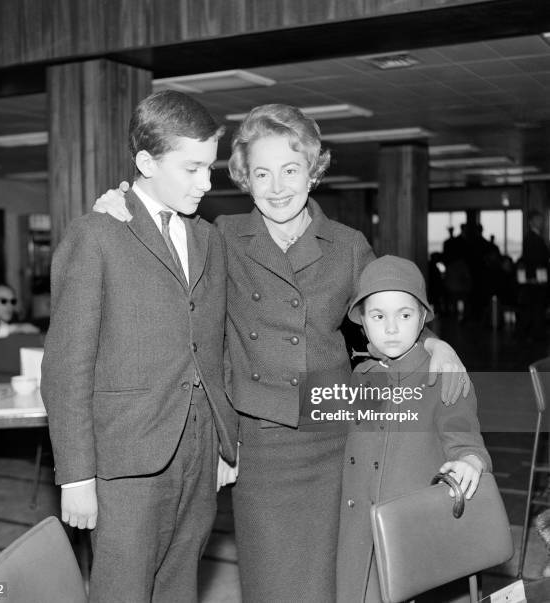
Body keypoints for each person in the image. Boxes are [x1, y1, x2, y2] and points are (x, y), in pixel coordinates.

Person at [94, 103, 469, 603]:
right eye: (261, 173)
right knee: (275, 582)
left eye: (290, 170)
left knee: (342, 574)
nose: (277, 187)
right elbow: (155, 230)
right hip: (260, 442)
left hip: (337, 435)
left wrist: (432, 341)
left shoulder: (346, 244)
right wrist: (117, 204)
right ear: (244, 179)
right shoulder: (219, 235)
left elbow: (392, 309)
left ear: (313, 172)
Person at [41, 90, 238, 603]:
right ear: (146, 163)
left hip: (196, 451)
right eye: (192, 168)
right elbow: (66, 367)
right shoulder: (97, 235)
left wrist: (223, 438)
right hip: (125, 460)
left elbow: (211, 346)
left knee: (180, 585)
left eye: (209, 168)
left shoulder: (209, 239)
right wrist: (77, 475)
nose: (206, 182)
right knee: (122, 590)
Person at [337, 255, 491, 602]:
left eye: (404, 315)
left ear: (423, 317)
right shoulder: (361, 375)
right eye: (378, 316)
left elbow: (463, 436)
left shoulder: (442, 375)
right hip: (361, 534)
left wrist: (470, 460)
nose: (391, 328)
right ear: (362, 321)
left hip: (412, 535)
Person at [517, 209, 550, 341]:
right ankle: (534, 335)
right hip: (535, 279)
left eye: (541, 220)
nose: (541, 222)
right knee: (535, 307)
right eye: (538, 220)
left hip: (537, 278)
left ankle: (533, 334)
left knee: (535, 308)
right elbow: (534, 261)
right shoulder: (531, 238)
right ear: (531, 221)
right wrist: (536, 278)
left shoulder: (535, 237)